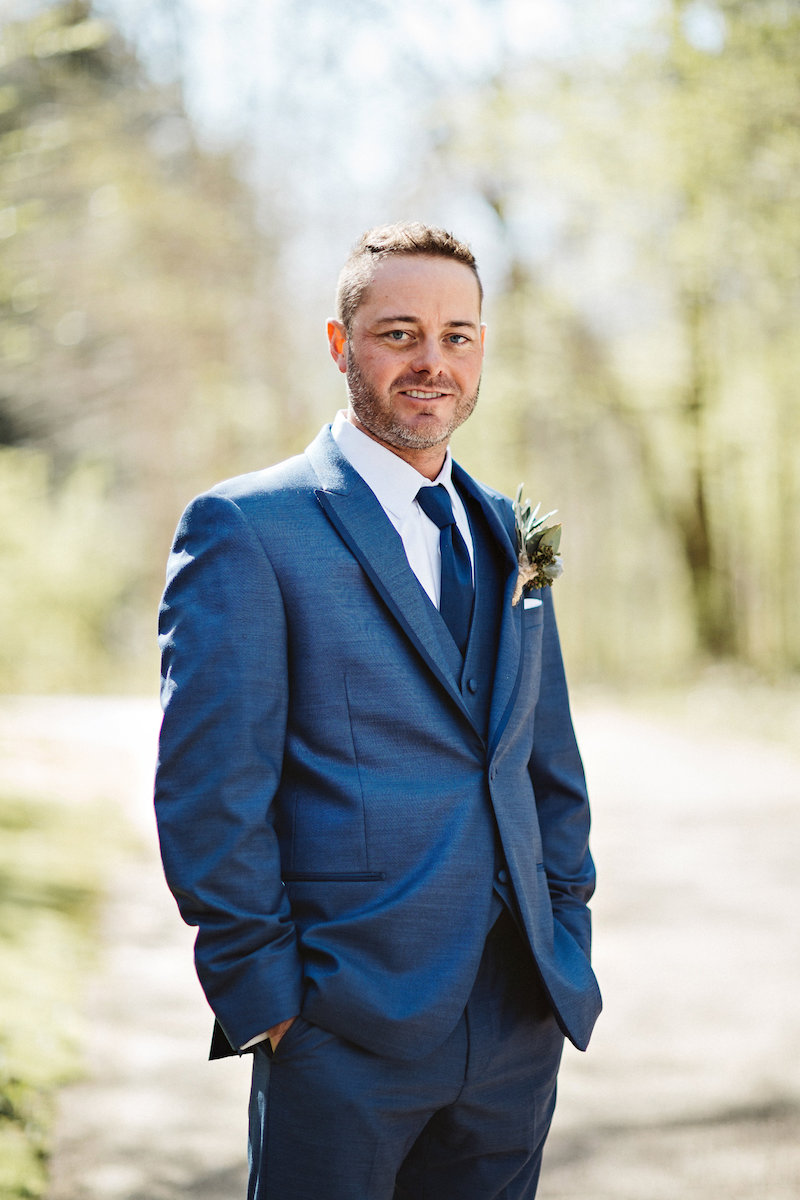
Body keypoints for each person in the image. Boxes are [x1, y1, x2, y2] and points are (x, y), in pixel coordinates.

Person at [154, 221, 601, 1200]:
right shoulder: (247, 529)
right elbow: (209, 791)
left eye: (457, 335)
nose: (431, 362)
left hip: (518, 1021)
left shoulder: (505, 533)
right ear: (337, 343)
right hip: (340, 1026)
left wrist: (564, 926)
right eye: (398, 333)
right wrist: (269, 1003)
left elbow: (542, 765)